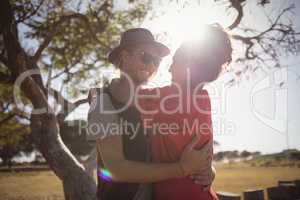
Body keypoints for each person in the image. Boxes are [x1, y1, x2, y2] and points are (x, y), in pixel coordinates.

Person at [87, 28, 215, 200]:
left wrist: (209, 171)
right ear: (124, 57)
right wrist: (182, 168)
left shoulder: (155, 101)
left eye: (157, 61)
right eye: (146, 57)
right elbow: (116, 169)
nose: (152, 66)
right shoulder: (103, 103)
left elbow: (181, 150)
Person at [139, 24, 232, 200]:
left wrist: (99, 93)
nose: (169, 69)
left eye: (174, 62)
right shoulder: (204, 99)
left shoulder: (165, 98)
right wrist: (210, 171)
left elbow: (124, 96)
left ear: (188, 66)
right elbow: (206, 156)